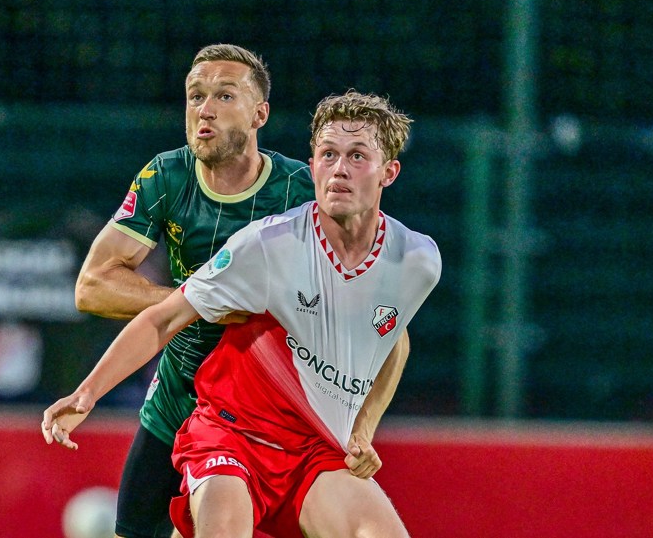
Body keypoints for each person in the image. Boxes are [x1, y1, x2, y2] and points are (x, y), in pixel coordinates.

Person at [46, 90, 439, 538]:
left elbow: (393, 340)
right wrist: (87, 393)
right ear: (312, 165)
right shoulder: (267, 245)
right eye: (328, 154)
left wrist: (362, 429)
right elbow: (164, 318)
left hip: (313, 449)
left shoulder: (417, 262)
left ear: (389, 172)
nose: (339, 169)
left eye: (357, 156)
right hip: (232, 435)